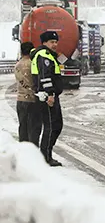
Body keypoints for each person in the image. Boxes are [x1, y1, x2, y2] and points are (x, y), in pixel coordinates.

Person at [31, 31, 64, 167]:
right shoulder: (43, 55)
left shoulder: (49, 55)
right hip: (46, 97)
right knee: (51, 126)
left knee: (56, 125)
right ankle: (45, 157)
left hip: (51, 96)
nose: (55, 44)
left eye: (56, 42)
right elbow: (45, 77)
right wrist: (50, 94)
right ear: (44, 43)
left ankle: (46, 153)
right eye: (52, 42)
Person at [14, 41, 35, 143]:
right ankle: (32, 149)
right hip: (32, 99)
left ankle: (22, 147)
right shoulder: (33, 64)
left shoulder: (17, 65)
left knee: (23, 126)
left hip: (20, 99)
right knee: (33, 127)